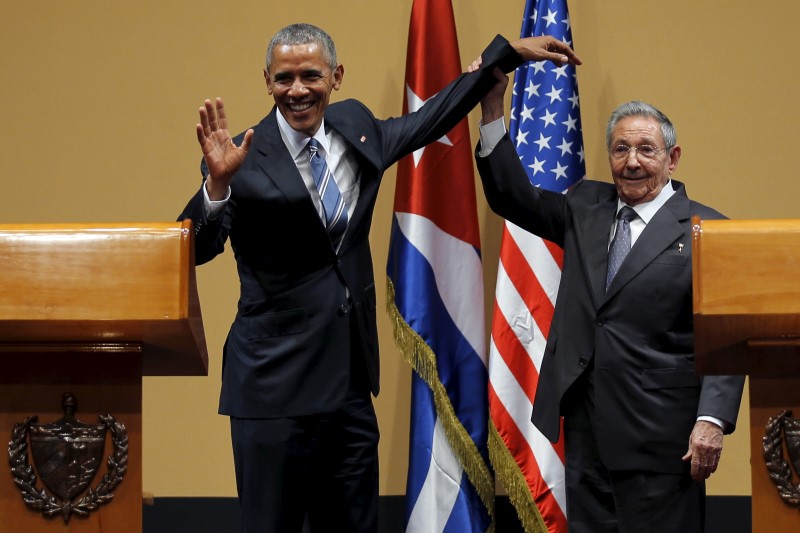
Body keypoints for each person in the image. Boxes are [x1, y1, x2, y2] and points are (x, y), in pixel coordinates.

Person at [178, 22, 580, 533]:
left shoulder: (357, 128)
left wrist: (507, 55)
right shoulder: (238, 157)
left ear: (336, 77)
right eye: (284, 78)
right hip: (271, 393)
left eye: (310, 75)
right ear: (267, 81)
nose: (297, 89)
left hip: (347, 390)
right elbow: (192, 247)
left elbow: (432, 116)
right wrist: (215, 188)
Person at [474, 72, 744, 533]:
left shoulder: (707, 229)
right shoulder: (585, 206)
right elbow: (512, 197)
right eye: (621, 149)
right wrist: (493, 111)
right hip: (587, 432)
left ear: (672, 158)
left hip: (662, 439)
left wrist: (712, 420)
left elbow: (727, 332)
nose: (632, 162)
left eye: (646, 149)